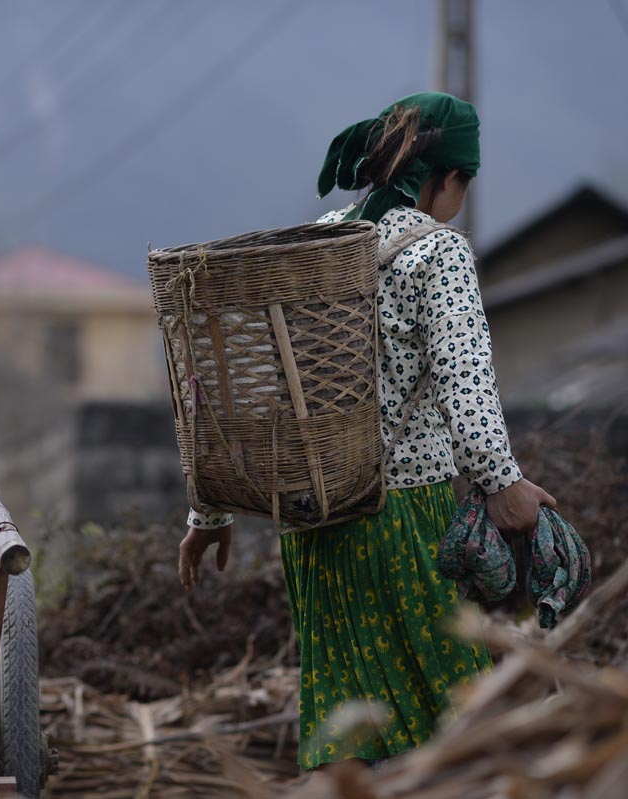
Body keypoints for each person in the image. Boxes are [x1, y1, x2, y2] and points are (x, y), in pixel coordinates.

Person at [177, 92, 556, 771]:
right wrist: (504, 484)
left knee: (346, 711)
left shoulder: (316, 242)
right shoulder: (438, 253)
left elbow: (262, 395)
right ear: (447, 178)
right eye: (464, 183)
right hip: (403, 515)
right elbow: (465, 385)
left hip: (315, 520)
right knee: (454, 707)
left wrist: (209, 511)